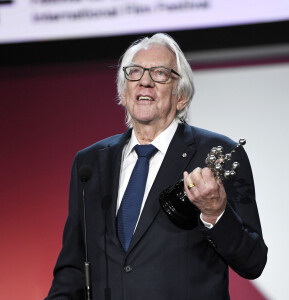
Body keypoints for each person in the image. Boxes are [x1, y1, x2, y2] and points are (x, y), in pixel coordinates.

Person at [45, 33, 267, 300]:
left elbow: (253, 262)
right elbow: (72, 269)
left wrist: (215, 213)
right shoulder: (90, 163)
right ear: (124, 92)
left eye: (160, 73)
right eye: (135, 72)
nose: (145, 81)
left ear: (181, 96)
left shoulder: (217, 155)